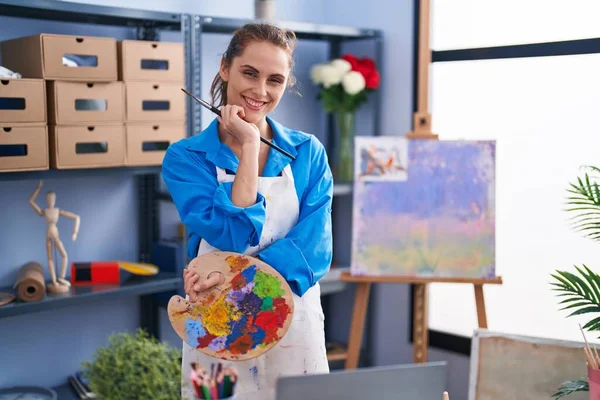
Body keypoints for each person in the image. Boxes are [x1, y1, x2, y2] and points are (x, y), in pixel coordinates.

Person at [161, 23, 333, 400]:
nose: (260, 91)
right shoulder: (186, 158)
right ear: (225, 68)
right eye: (249, 73)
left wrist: (240, 287)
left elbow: (314, 250)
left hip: (293, 321)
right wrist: (251, 144)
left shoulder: (307, 153)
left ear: (286, 84)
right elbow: (233, 236)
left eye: (275, 79)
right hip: (214, 322)